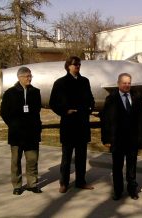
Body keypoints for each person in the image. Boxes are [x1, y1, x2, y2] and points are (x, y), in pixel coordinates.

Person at [49, 56, 95, 193]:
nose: (77, 67)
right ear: (68, 66)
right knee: (67, 157)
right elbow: (53, 103)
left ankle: (81, 181)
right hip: (68, 124)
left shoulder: (85, 81)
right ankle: (64, 183)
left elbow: (91, 100)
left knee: (81, 156)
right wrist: (65, 111)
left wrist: (89, 109)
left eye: (79, 64)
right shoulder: (60, 83)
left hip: (82, 123)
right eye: (75, 64)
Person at [100, 73, 142, 201]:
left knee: (132, 167)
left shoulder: (137, 96)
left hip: (133, 140)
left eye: (129, 83)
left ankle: (132, 190)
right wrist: (106, 139)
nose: (127, 85)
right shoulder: (111, 99)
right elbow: (105, 121)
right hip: (117, 140)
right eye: (124, 83)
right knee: (117, 167)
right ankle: (117, 191)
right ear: (118, 84)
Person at [0, 66, 42, 195]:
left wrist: (36, 127)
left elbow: (37, 111)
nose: (29, 78)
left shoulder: (35, 92)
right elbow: (3, 112)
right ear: (20, 77)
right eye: (27, 76)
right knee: (16, 161)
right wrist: (13, 125)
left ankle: (32, 184)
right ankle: (17, 185)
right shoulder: (10, 93)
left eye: (30, 76)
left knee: (32, 160)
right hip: (16, 133)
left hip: (32, 133)